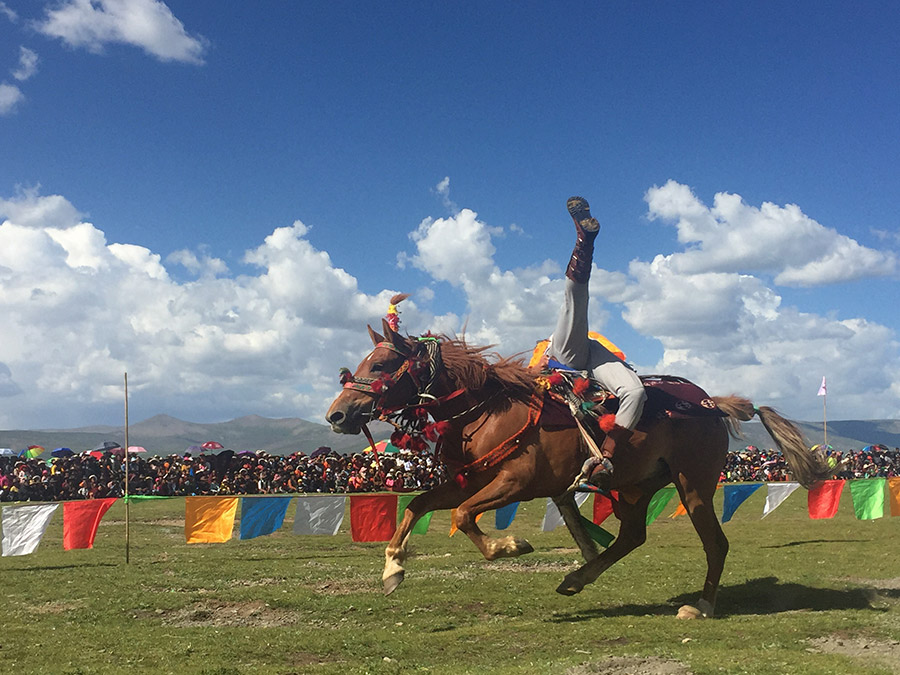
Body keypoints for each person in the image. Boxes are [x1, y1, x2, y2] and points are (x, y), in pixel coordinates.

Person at [547, 196, 647, 480]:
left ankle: (607, 457)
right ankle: (584, 241)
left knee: (636, 392)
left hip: (592, 353)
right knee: (575, 302)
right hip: (566, 359)